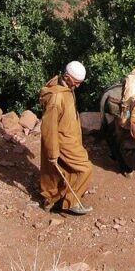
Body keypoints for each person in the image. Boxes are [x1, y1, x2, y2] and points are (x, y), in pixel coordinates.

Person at [39, 60, 93, 215]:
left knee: (67, 170)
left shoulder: (65, 87)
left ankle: (56, 198)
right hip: (63, 141)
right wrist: (52, 153)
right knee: (85, 168)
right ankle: (71, 202)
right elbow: (49, 127)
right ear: (67, 77)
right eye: (76, 82)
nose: (78, 86)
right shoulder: (56, 98)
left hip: (71, 138)